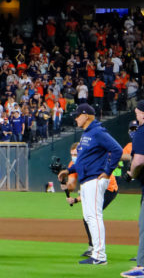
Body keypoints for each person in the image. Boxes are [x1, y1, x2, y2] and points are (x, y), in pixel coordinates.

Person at [66, 103, 123, 265]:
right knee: (89, 217)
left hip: (95, 179)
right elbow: (83, 161)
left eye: (78, 115)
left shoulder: (97, 131)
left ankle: (99, 256)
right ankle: (96, 253)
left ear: (87, 116)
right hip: (87, 180)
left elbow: (117, 149)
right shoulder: (86, 134)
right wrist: (68, 170)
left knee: (94, 217)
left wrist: (107, 170)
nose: (76, 118)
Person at [123, 101, 144, 278]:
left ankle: (142, 267)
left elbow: (138, 162)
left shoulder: (141, 132)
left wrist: (132, 174)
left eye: (138, 113)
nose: (136, 116)